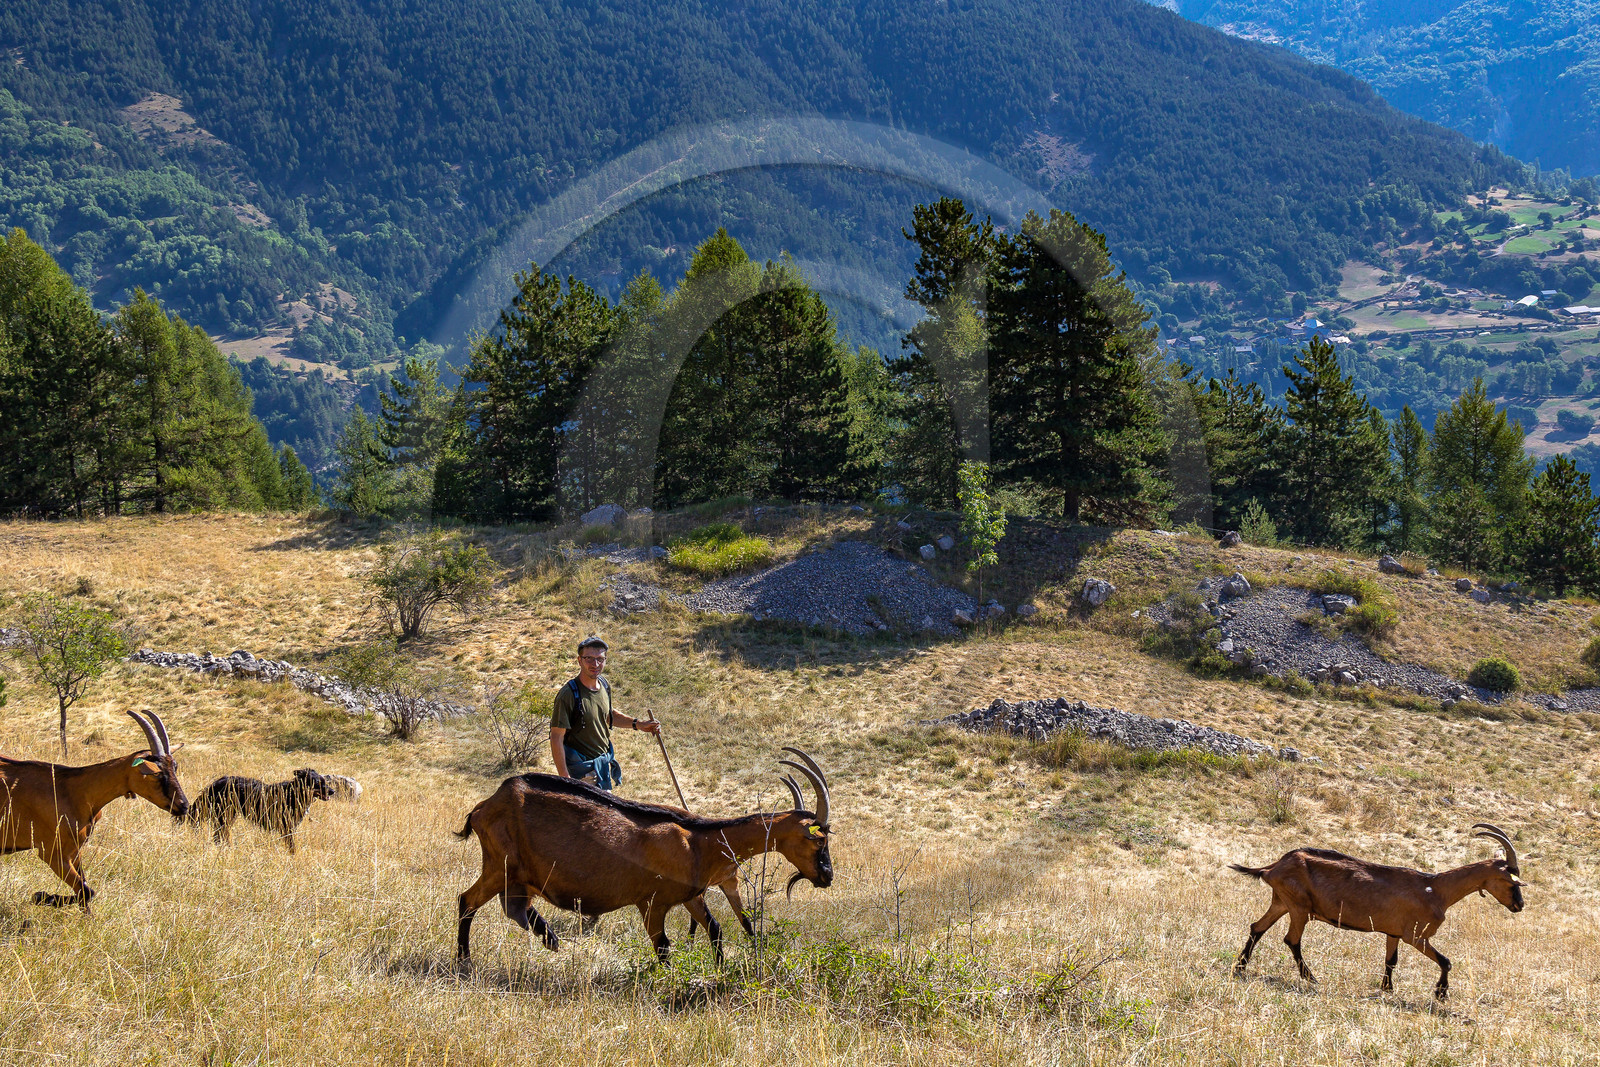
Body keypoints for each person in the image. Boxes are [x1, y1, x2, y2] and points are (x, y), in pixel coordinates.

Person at [549, 636, 660, 791]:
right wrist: (565, 778)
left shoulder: (604, 685)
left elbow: (607, 714)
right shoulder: (568, 694)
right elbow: (556, 737)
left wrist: (638, 724)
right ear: (579, 660)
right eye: (589, 659)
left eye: (600, 659)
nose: (595, 664)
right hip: (583, 774)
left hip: (602, 768)